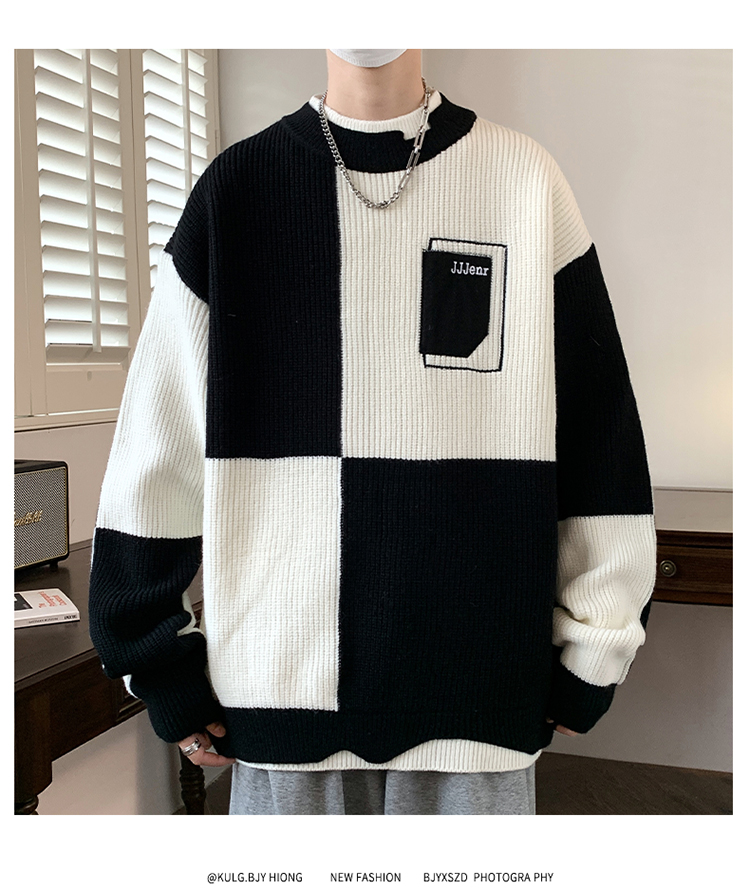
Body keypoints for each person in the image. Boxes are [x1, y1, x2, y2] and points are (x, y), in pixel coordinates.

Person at [88, 49, 657, 815]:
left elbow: (599, 437)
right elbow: (157, 452)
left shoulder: (524, 182)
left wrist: (597, 645)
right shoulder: (238, 189)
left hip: (477, 700)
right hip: (281, 698)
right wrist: (156, 660)